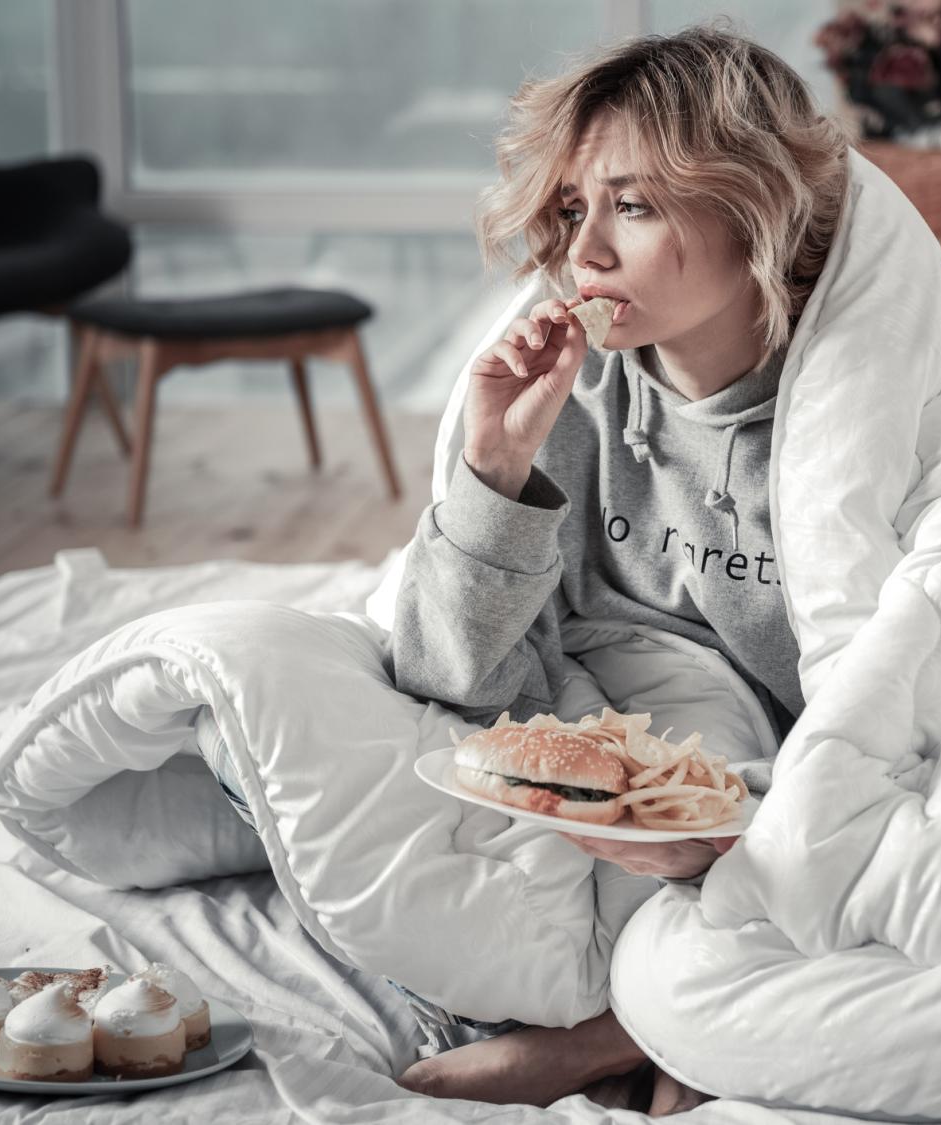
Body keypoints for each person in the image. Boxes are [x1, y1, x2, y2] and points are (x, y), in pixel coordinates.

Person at [383, 21, 851, 1116]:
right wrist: (495, 461)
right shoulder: (578, 388)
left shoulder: (847, 424)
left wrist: (731, 815)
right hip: (602, 702)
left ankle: (619, 1036)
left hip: (764, 747)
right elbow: (446, 667)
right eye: (572, 210)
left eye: (633, 207)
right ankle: (661, 1031)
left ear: (754, 213)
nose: (584, 255)